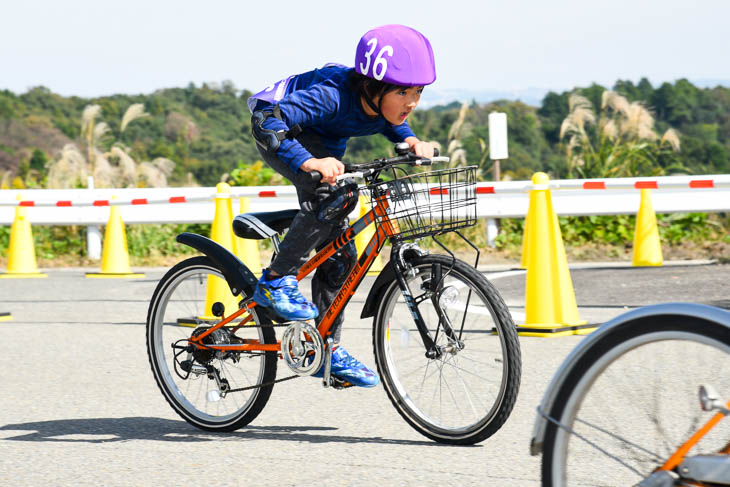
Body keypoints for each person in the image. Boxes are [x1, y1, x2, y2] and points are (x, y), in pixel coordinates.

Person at [248, 24, 437, 388]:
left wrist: (411, 139)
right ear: (373, 86)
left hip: (327, 137)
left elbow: (390, 118)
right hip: (282, 128)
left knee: (342, 257)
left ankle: (326, 348)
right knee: (331, 195)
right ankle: (274, 281)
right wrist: (309, 163)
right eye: (403, 91)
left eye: (418, 91)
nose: (411, 101)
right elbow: (267, 121)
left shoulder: (382, 102)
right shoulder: (332, 96)